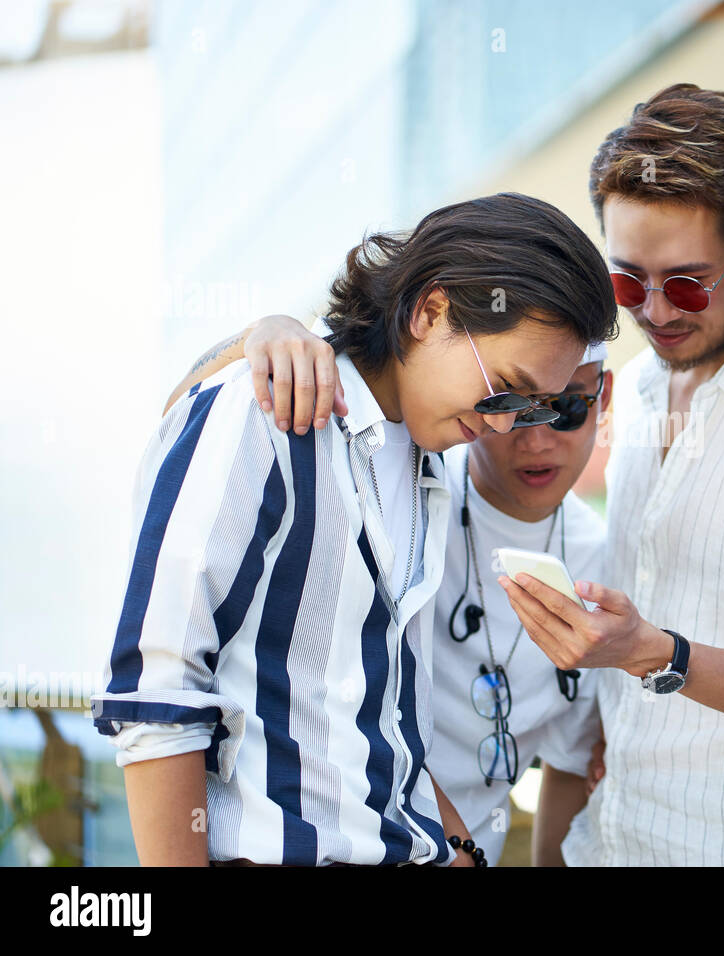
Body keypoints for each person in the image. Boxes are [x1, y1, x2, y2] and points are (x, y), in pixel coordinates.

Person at [92, 193, 618, 866]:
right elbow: (156, 699)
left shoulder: (425, 461)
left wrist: (460, 851)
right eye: (505, 390)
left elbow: (383, 728)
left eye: (535, 406)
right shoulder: (266, 410)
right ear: (431, 311)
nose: (506, 425)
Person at [499, 84, 724, 866]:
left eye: (687, 283)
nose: (654, 311)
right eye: (628, 283)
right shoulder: (639, 384)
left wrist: (653, 652)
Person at [169, 322, 615, 867]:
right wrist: (261, 335)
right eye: (513, 402)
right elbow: (182, 417)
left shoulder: (605, 560)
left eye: (565, 408)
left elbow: (571, 763)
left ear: (604, 396)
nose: (536, 437)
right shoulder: (407, 478)